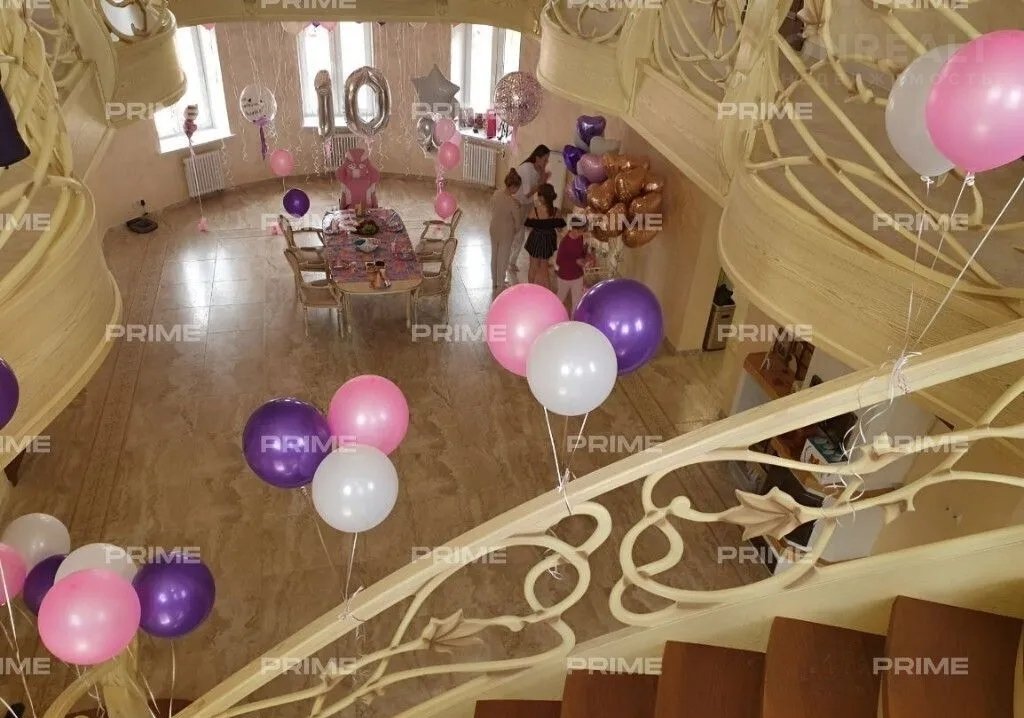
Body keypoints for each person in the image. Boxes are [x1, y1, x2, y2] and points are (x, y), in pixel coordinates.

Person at [510, 145, 552, 277]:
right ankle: (511, 262)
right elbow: (528, 193)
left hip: (527, 203)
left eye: (547, 160)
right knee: (519, 236)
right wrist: (541, 182)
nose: (546, 162)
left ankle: (542, 258)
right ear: (537, 157)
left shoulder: (537, 168)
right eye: (545, 160)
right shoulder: (527, 169)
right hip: (519, 204)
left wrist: (543, 172)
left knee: (540, 228)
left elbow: (540, 186)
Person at [524, 184, 565, 288]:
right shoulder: (556, 212)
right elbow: (560, 229)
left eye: (539, 195)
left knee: (533, 267)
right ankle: (546, 291)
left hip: (535, 239)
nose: (538, 197)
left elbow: (528, 227)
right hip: (548, 241)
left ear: (542, 197)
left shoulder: (535, 210)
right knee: (544, 268)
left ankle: (530, 289)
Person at [489, 168, 523, 290]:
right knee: (503, 258)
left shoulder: (496, 193)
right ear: (513, 187)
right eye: (517, 188)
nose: (517, 190)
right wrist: (515, 229)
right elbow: (518, 223)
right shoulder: (513, 204)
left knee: (494, 255)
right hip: (506, 233)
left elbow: (492, 206)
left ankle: (494, 281)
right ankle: (501, 283)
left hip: (493, 228)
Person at [554, 215, 590, 310]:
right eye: (580, 231)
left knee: (577, 302)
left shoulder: (580, 238)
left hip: (577, 275)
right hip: (565, 277)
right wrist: (575, 261)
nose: (581, 233)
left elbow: (581, 253)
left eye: (583, 231)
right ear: (573, 229)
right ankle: (553, 315)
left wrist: (585, 258)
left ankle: (574, 318)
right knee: (560, 299)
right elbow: (559, 261)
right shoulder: (565, 243)